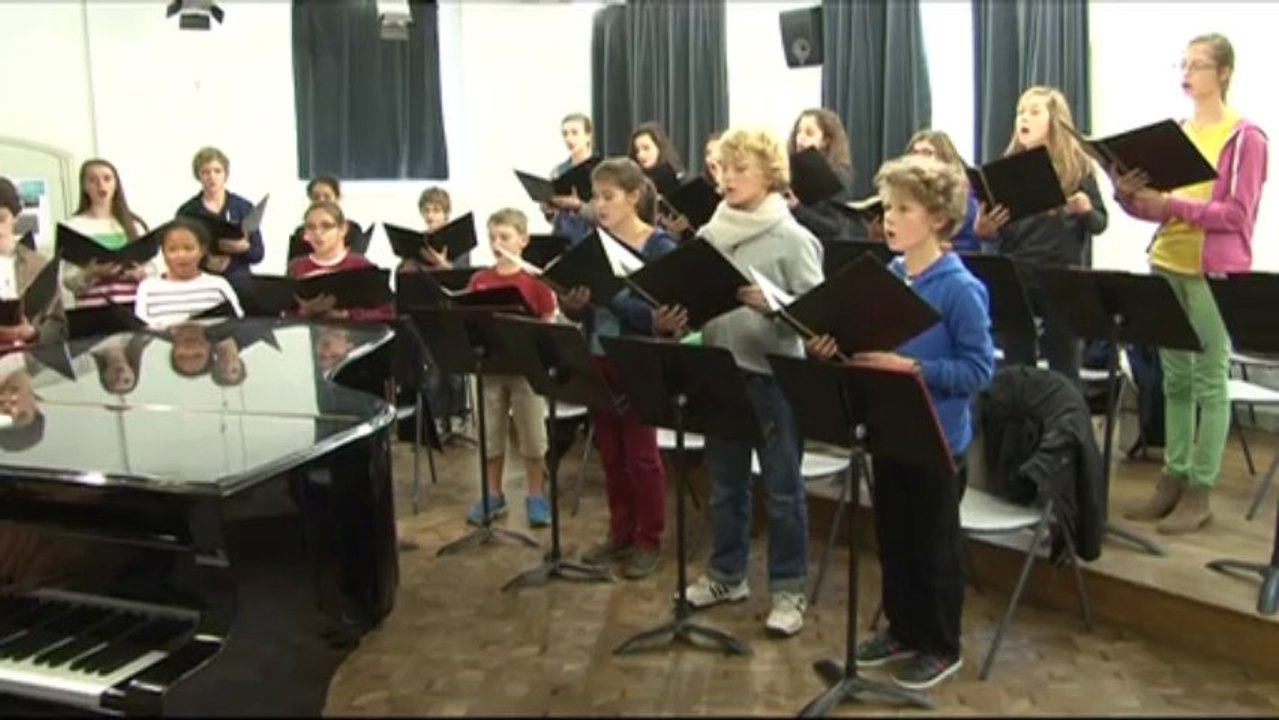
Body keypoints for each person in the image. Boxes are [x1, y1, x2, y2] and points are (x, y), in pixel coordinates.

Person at [809, 153, 995, 690]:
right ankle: (902, 630)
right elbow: (866, 347)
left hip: (938, 438)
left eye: (903, 209)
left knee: (934, 547)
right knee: (894, 539)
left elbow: (979, 369)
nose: (889, 219)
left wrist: (913, 369)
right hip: (888, 429)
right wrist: (833, 349)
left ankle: (940, 645)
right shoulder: (890, 276)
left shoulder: (959, 288)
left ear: (937, 218)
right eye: (887, 208)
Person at [654, 128, 822, 637]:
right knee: (726, 486)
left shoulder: (793, 238)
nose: (727, 178)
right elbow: (694, 301)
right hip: (719, 371)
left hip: (773, 380)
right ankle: (727, 575)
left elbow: (819, 319)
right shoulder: (710, 233)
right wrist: (673, 319)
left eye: (740, 169)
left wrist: (777, 307)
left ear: (769, 176)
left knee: (783, 492)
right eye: (723, 169)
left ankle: (789, 590)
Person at [1113, 32, 1269, 535]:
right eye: (1183, 63)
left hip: (1213, 273)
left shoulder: (1246, 137)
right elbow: (1156, 210)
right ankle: (1173, 477)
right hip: (1166, 264)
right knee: (1175, 378)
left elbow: (1237, 215)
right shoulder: (1177, 133)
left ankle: (1201, 490)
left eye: (1198, 64)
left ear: (1223, 72)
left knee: (1208, 381)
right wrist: (1126, 196)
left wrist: (1171, 205)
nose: (1187, 72)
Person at [560, 158, 677, 579]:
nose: (600, 205)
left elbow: (662, 315)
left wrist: (612, 298)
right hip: (597, 353)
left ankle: (648, 538)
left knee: (642, 455)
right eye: (595, 197)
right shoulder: (593, 244)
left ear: (634, 196)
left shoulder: (659, 247)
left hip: (638, 358)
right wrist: (573, 305)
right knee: (610, 454)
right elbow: (580, 309)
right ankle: (621, 531)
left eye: (608, 196)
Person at [975, 86, 1108, 384]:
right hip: (1017, 273)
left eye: (1034, 112)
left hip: (1060, 275)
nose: (1024, 118)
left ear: (1054, 120)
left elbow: (1100, 224)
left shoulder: (1078, 168)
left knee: (1064, 366)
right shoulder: (1005, 169)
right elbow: (998, 231)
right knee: (1016, 366)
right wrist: (984, 230)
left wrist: (1086, 210)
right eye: (1021, 112)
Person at [463, 208, 558, 528]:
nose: (497, 243)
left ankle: (536, 494)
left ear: (523, 240)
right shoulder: (479, 280)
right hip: (489, 367)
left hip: (526, 370)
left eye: (504, 237)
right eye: (492, 237)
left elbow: (549, 323)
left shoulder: (536, 282)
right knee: (490, 433)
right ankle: (493, 494)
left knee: (532, 434)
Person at [62, 159, 151, 309]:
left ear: (116, 184)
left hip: (133, 305)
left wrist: (140, 273)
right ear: (84, 186)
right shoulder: (73, 226)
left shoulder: (135, 225)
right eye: (93, 180)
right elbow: (68, 280)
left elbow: (152, 270)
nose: (101, 185)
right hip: (93, 308)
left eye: (107, 179)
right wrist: (91, 273)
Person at [287, 202, 394, 322]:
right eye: (311, 227)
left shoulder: (361, 266)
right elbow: (285, 311)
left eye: (326, 226)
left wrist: (347, 315)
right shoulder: (297, 266)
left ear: (343, 229)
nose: (318, 233)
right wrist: (303, 312)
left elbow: (387, 312)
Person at [176, 146, 265, 284]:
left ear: (225, 174)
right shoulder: (187, 212)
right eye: (205, 172)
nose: (212, 177)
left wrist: (242, 248)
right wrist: (206, 261)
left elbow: (258, 254)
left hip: (239, 282)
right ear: (198, 176)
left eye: (217, 171)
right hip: (202, 281)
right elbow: (180, 253)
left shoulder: (243, 207)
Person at [134, 218, 243, 328]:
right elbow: (141, 331)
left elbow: (237, 325)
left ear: (202, 250)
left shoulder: (219, 285)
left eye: (189, 248)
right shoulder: (148, 287)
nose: (181, 255)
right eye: (172, 250)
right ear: (164, 253)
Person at [0, 177, 64, 350]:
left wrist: (34, 332)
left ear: (14, 218)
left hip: (27, 356)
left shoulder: (38, 265)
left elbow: (59, 324)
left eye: (1, 219)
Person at [903, 130, 984, 252]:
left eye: (927, 153)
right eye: (915, 153)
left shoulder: (964, 197)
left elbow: (971, 242)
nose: (918, 159)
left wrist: (950, 247)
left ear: (944, 158)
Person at [786, 108, 860, 241]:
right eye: (798, 132)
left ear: (826, 140)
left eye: (809, 133)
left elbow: (833, 226)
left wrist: (797, 208)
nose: (800, 138)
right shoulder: (787, 170)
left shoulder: (837, 174)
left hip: (826, 248)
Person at [543, 113, 598, 244]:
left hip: (590, 237)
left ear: (588, 136)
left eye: (574, 133)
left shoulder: (600, 169)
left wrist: (578, 205)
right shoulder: (557, 171)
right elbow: (553, 218)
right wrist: (549, 211)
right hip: (562, 237)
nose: (569, 138)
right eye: (565, 134)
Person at [288, 176, 365, 262]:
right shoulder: (301, 231)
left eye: (327, 196)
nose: (321, 201)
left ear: (338, 198)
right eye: (316, 197)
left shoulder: (353, 230)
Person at [397, 186, 463, 273]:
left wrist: (443, 265)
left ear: (446, 214)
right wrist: (405, 268)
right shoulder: (416, 241)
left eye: (436, 211)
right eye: (426, 211)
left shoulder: (458, 240)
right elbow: (399, 273)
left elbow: (464, 274)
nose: (430, 216)